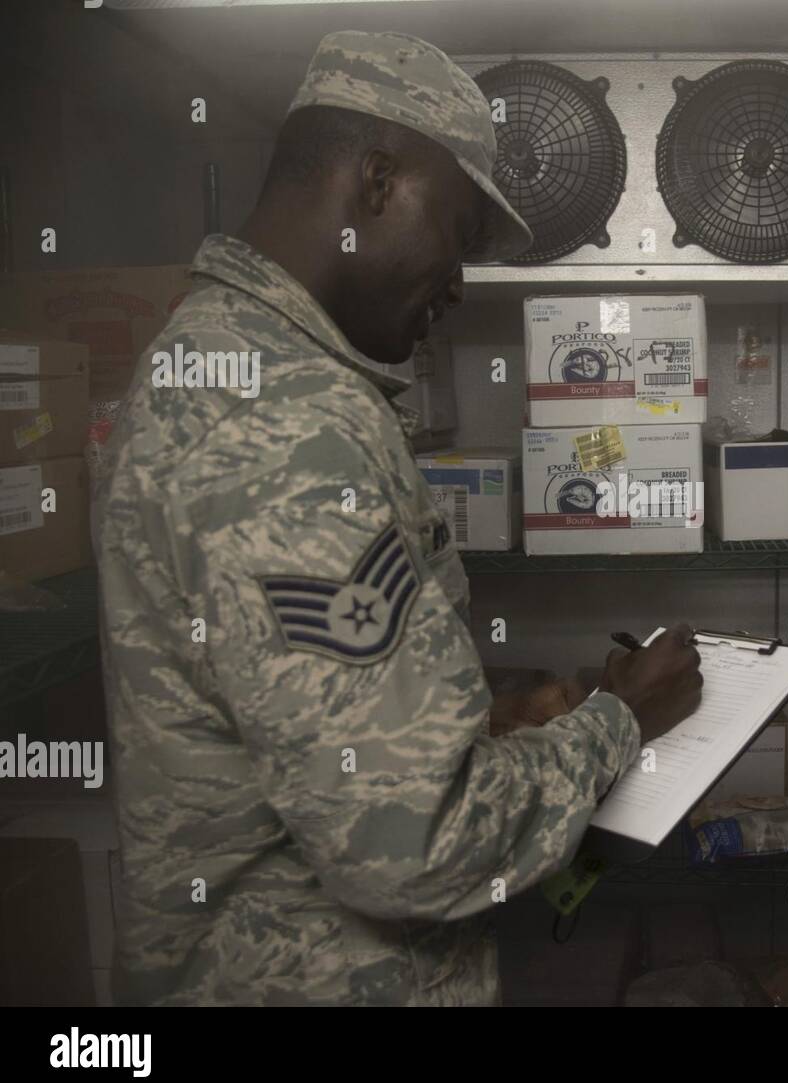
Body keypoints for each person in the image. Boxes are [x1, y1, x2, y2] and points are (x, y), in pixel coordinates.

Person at [95, 30, 702, 1007]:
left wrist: (481, 721)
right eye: (458, 235)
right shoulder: (282, 419)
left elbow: (305, 725)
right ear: (376, 181)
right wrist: (618, 722)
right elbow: (413, 841)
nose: (459, 283)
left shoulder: (231, 362)